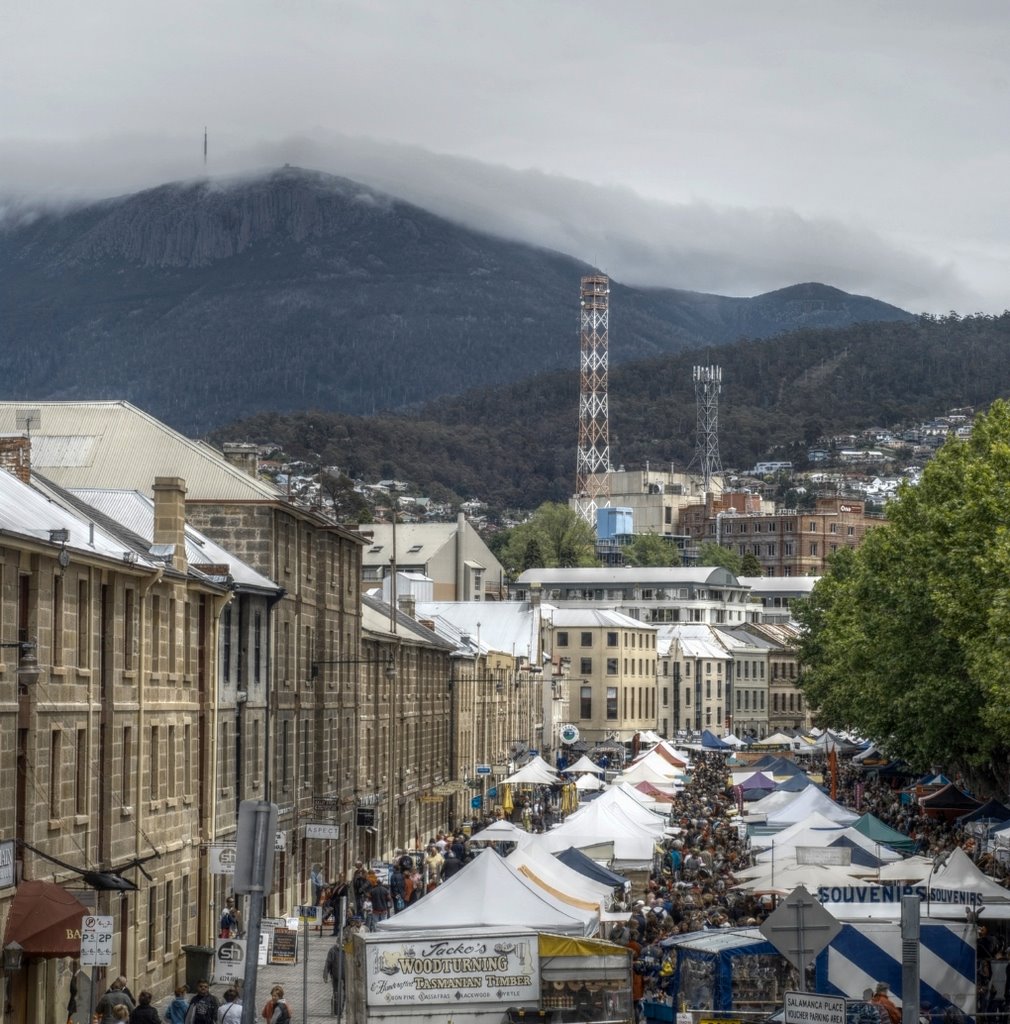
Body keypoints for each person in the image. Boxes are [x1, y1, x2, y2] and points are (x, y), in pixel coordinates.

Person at [324, 937, 347, 1013]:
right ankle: (336, 1010)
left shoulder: (349, 949)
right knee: (336, 993)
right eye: (340, 943)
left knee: (345, 993)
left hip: (346, 975)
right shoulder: (333, 950)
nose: (342, 945)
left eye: (344, 944)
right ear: (337, 943)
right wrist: (325, 975)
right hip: (335, 975)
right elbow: (328, 963)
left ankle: (341, 1009)